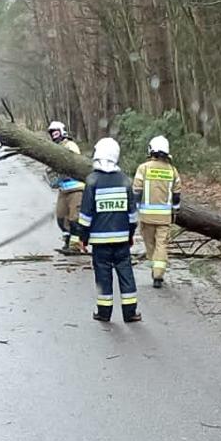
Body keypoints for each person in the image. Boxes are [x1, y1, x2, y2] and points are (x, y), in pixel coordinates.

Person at [72, 138, 141, 323]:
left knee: (103, 277)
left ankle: (104, 313)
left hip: (100, 243)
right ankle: (130, 312)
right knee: (126, 274)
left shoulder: (92, 181)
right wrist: (130, 234)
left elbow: (86, 214)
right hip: (122, 241)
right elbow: (133, 215)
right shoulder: (125, 181)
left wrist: (82, 238)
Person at [132, 135, 181, 289]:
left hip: (146, 216)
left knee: (150, 244)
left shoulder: (143, 168)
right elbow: (177, 193)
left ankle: (155, 268)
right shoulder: (172, 170)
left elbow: (136, 190)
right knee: (162, 244)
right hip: (165, 217)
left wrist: (135, 208)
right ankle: (158, 273)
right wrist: (175, 210)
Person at [46, 121, 86, 254]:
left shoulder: (70, 145)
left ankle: (76, 245)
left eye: (55, 132)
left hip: (76, 188)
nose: (54, 135)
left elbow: (71, 163)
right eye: (52, 133)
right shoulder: (54, 147)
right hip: (63, 189)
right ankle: (67, 240)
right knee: (61, 218)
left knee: (75, 219)